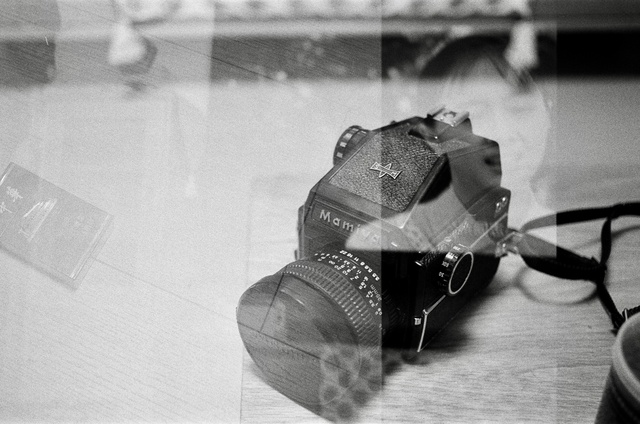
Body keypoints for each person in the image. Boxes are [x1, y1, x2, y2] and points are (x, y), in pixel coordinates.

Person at [421, 34, 556, 229]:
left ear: (548, 113)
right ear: (431, 134)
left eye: (520, 109)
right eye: (475, 114)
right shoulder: (393, 239)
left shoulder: (580, 238)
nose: (504, 132)